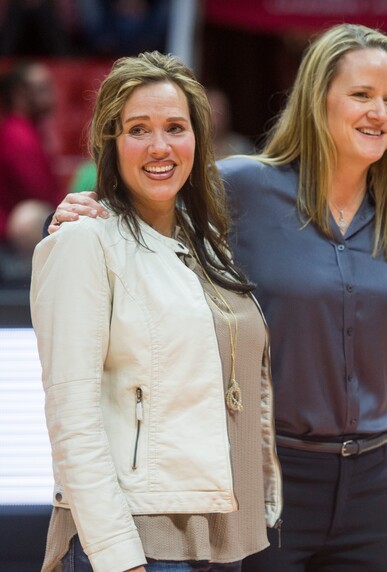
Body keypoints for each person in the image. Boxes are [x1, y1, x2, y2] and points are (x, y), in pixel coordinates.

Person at [48, 23, 387, 572]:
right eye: (362, 95)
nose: (379, 113)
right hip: (270, 471)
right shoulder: (243, 187)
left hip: (374, 480)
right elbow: (140, 210)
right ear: (318, 101)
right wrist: (73, 218)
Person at [32, 51, 282, 572]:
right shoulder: (84, 242)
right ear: (111, 142)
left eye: (175, 127)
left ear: (198, 138)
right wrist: (119, 557)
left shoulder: (208, 243)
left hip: (220, 535)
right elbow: (71, 420)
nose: (160, 146)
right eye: (139, 130)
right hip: (139, 543)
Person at [0, 61, 62, 252]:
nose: (52, 96)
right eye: (43, 88)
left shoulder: (25, 131)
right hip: (14, 241)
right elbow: (41, 195)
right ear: (21, 94)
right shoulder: (19, 136)